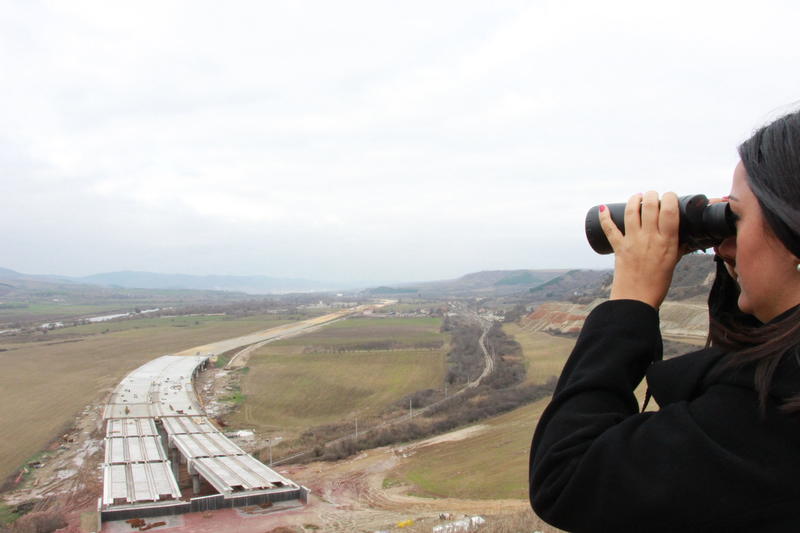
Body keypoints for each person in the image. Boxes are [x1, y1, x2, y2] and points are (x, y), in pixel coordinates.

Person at [528, 109, 800, 532]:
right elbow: (759, 355)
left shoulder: (771, 417)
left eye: (736, 218)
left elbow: (567, 476)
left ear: (790, 228)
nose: (724, 245)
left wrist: (630, 301)